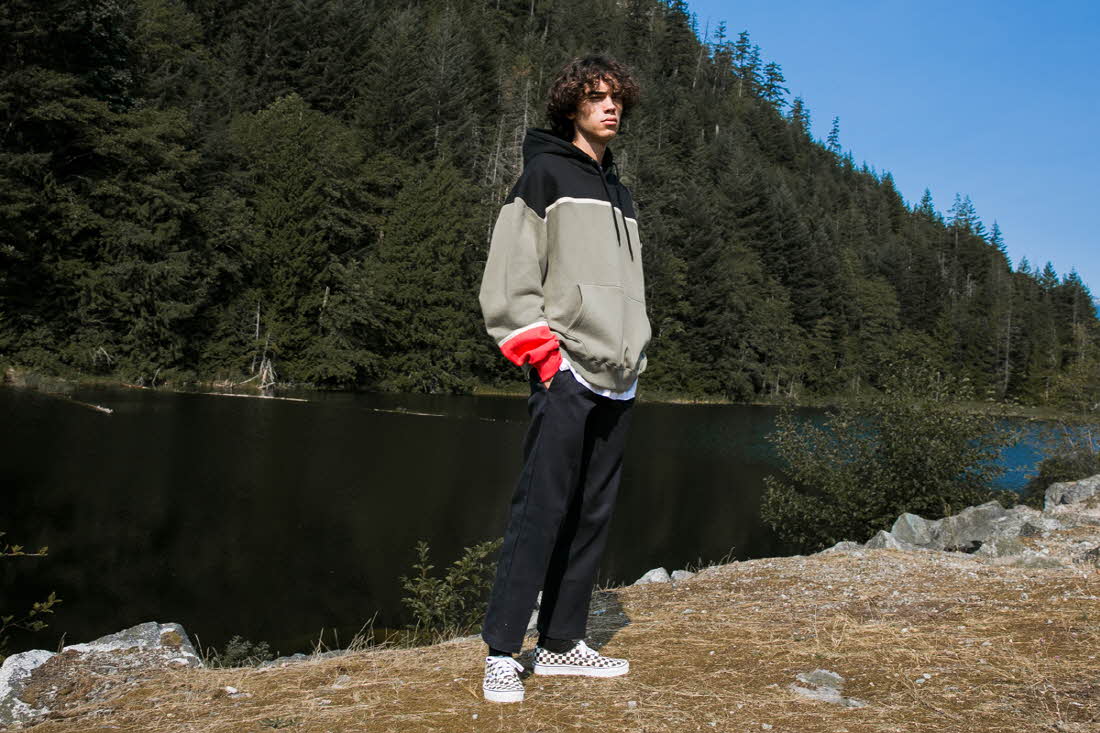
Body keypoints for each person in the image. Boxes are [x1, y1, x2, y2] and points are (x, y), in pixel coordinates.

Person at [477, 54, 651, 704]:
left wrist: (635, 352)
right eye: (597, 97)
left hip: (619, 375)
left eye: (616, 98)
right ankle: (502, 651)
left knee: (591, 513)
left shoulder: (621, 194)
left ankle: (558, 642)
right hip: (568, 368)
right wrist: (547, 359)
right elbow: (509, 277)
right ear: (572, 106)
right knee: (541, 508)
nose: (610, 107)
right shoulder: (544, 175)